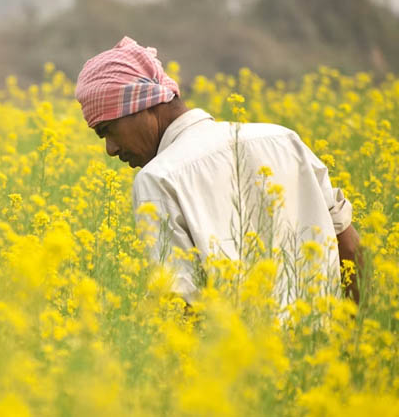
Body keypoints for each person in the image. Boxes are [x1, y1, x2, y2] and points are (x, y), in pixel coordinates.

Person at [74, 36, 362, 306]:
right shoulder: (283, 139)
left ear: (141, 104)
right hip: (323, 351)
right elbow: (349, 249)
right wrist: (351, 340)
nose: (111, 149)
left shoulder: (158, 179)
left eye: (107, 130)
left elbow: (182, 303)